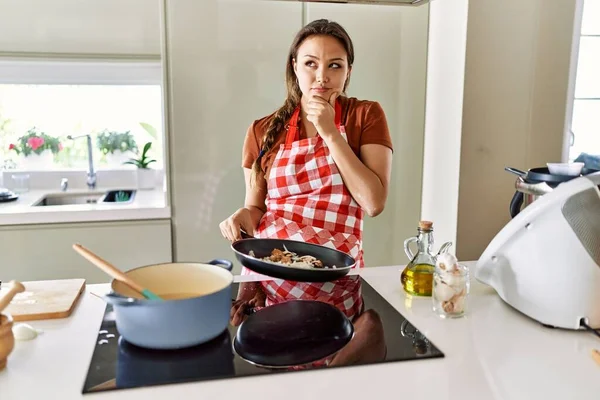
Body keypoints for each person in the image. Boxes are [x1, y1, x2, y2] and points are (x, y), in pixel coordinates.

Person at [219, 19, 391, 366]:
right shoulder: (261, 131)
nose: (322, 77)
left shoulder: (364, 116)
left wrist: (330, 133)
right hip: (273, 282)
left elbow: (373, 203)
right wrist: (242, 217)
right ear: (294, 67)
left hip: (337, 283)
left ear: (348, 72)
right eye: (310, 63)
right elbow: (255, 210)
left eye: (334, 65)